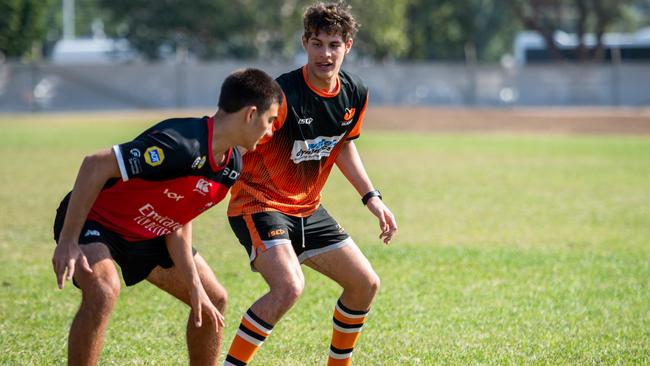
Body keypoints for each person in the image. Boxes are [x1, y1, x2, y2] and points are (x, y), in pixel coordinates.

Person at [51, 68, 283, 366]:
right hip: (97, 221)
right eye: (270, 120)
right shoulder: (180, 143)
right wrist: (69, 240)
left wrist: (194, 284)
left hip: (149, 231)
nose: (271, 130)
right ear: (251, 114)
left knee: (213, 299)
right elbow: (95, 165)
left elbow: (179, 220)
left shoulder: (230, 166)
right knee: (104, 291)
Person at [223, 3, 398, 365]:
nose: (325, 53)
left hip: (308, 207)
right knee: (288, 287)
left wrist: (372, 198)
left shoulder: (354, 93)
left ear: (348, 46)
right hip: (260, 204)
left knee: (365, 284)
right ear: (304, 43)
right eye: (317, 43)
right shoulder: (281, 96)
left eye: (334, 44)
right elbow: (239, 143)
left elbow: (343, 145)